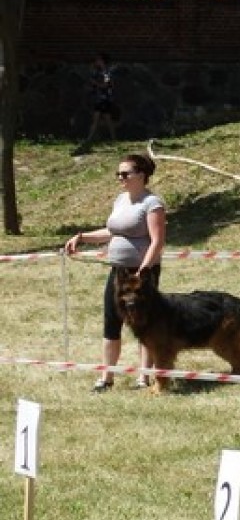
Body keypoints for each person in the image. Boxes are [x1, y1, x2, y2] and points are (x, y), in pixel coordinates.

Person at [64, 154, 167, 391]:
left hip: (142, 274)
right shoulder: (121, 200)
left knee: (144, 323)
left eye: (125, 174)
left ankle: (144, 377)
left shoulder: (152, 204)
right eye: (118, 174)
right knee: (112, 320)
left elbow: (157, 241)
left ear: (141, 175)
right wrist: (82, 237)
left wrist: (144, 269)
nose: (120, 178)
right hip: (119, 272)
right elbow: (112, 231)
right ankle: (106, 378)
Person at [84, 53, 118, 145]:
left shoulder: (106, 73)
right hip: (100, 99)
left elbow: (106, 85)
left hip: (103, 99)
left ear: (102, 61)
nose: (96, 61)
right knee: (107, 119)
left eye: (98, 60)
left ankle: (89, 139)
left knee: (98, 119)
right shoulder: (99, 72)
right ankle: (113, 138)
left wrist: (95, 83)